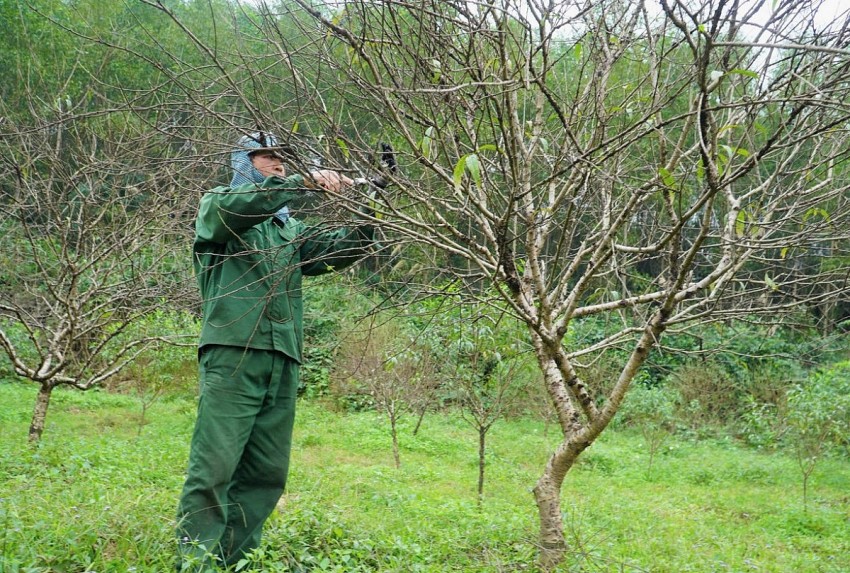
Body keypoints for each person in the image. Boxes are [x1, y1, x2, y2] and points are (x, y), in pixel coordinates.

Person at [176, 132, 373, 569]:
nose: (279, 164)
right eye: (267, 157)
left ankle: (235, 561)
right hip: (233, 355)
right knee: (214, 469)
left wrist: (372, 205)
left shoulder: (290, 231)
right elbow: (243, 206)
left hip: (282, 358)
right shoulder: (219, 207)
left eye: (284, 158)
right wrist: (303, 182)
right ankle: (195, 562)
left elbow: (345, 247)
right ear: (242, 162)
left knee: (267, 474)